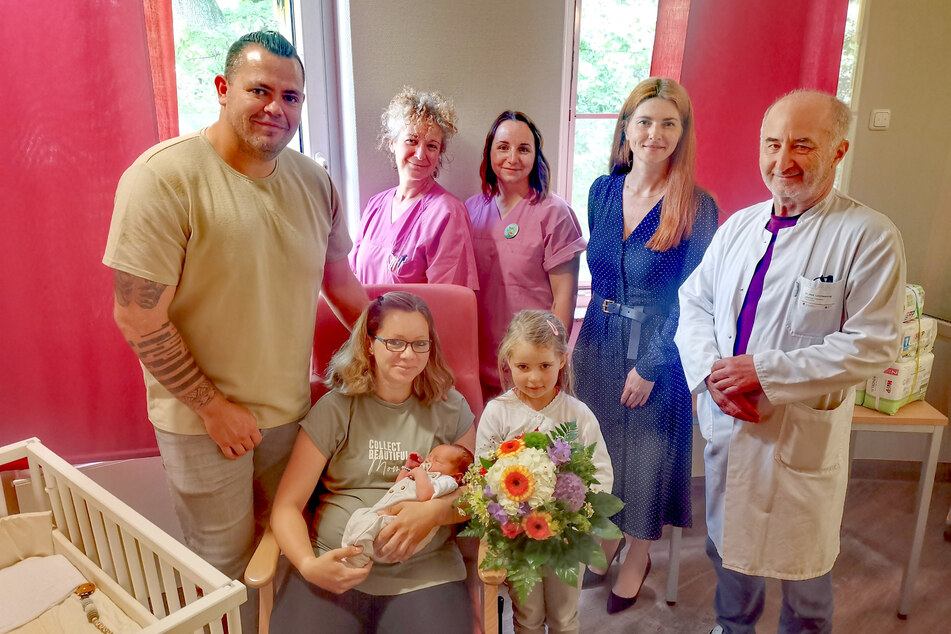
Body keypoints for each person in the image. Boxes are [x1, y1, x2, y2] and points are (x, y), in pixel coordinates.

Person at [102, 31, 368, 632]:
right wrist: (213, 407)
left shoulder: (314, 181)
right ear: (223, 90)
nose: (277, 107)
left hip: (290, 415)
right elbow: (137, 315)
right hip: (202, 423)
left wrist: (394, 339)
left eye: (292, 97)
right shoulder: (163, 178)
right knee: (219, 572)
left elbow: (340, 282)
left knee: (285, 556)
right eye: (260, 90)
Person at [676, 90, 905, 633]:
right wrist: (712, 373)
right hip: (731, 423)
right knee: (728, 551)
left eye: (802, 144)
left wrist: (765, 373)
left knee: (803, 572)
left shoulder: (868, 236)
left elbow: (874, 343)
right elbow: (695, 302)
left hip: (798, 434)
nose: (783, 161)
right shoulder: (738, 226)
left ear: (839, 151)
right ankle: (733, 629)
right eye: (772, 144)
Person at [571, 77, 719, 614]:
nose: (655, 134)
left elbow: (694, 298)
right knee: (601, 452)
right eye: (645, 122)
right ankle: (605, 538)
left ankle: (638, 554)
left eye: (668, 124)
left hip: (661, 350)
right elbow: (601, 275)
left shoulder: (699, 207)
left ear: (682, 134)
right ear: (626, 130)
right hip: (599, 342)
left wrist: (652, 366)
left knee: (647, 461)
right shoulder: (601, 192)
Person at [269, 292, 476, 633]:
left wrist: (432, 513)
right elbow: (287, 506)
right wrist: (309, 565)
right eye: (395, 342)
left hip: (425, 574)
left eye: (419, 344)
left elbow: (474, 497)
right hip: (334, 564)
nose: (408, 354)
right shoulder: (336, 408)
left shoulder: (451, 408)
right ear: (369, 343)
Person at [476, 310, 613, 634]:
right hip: (518, 538)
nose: (534, 378)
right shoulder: (498, 413)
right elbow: (484, 475)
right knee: (527, 615)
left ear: (562, 360)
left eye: (545, 366)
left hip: (567, 537)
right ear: (508, 361)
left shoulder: (577, 415)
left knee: (564, 617)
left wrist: (575, 515)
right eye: (523, 367)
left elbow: (601, 473)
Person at [466, 112, 586, 401]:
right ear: (490, 152)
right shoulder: (471, 209)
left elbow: (564, 298)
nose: (512, 157)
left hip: (533, 364)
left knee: (534, 444)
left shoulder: (554, 212)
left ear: (536, 156)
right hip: (481, 360)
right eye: (503, 147)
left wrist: (550, 362)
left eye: (523, 149)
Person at [350, 87, 478, 289]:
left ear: (439, 153)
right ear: (392, 143)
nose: (420, 154)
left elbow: (449, 302)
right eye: (412, 140)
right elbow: (351, 278)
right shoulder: (375, 206)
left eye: (431, 146)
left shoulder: (447, 214)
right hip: (362, 320)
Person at [342, 443, 474, 568]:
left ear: (457, 477)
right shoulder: (424, 475)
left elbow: (426, 496)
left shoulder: (446, 481)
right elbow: (399, 485)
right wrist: (408, 468)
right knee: (359, 515)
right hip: (388, 515)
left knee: (367, 526)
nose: (428, 461)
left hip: (401, 522)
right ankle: (348, 552)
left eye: (437, 461)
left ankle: (356, 561)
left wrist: (419, 473)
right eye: (429, 457)